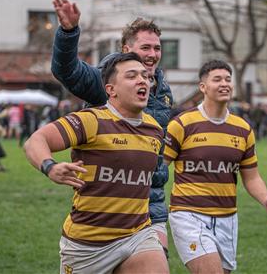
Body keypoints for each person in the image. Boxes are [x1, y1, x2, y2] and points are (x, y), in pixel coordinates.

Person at [24, 53, 169, 274]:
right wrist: (49, 166)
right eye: (132, 76)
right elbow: (36, 140)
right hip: (87, 246)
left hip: (137, 234)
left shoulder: (154, 129)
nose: (142, 80)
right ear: (111, 90)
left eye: (144, 76)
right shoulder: (90, 120)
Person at [51, 0, 173, 253]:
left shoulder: (162, 90)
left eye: (157, 47)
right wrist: (68, 32)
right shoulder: (104, 81)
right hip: (107, 205)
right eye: (145, 48)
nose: (152, 54)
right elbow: (67, 71)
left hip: (151, 204)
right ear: (127, 50)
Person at [164, 60, 267, 273]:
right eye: (217, 79)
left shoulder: (243, 128)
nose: (224, 84)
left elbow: (252, 176)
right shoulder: (182, 124)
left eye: (228, 79)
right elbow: (158, 166)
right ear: (203, 87)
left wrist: (265, 199)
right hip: (188, 214)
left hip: (227, 217)